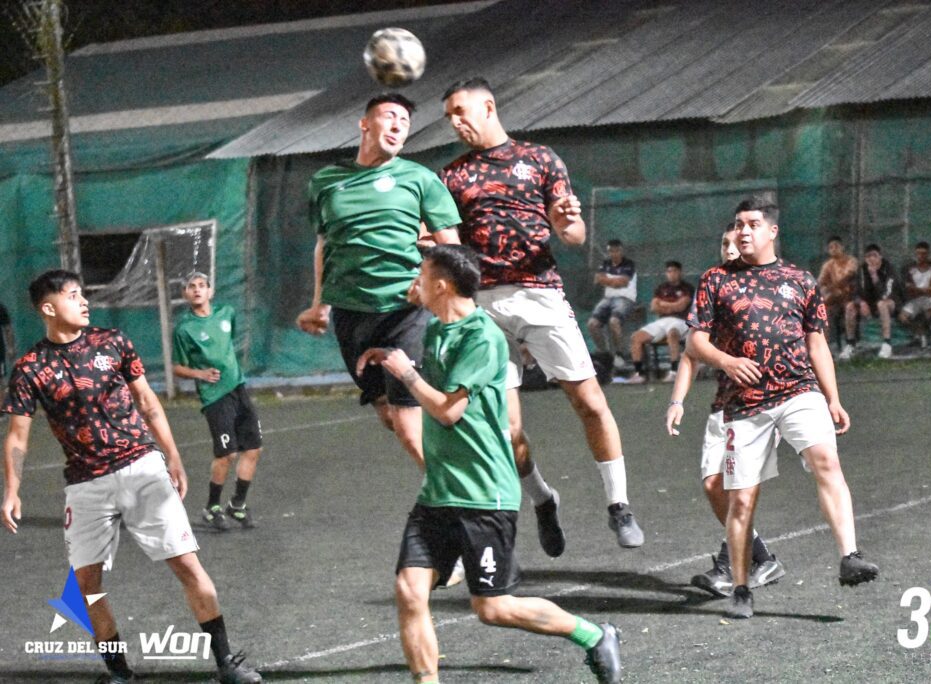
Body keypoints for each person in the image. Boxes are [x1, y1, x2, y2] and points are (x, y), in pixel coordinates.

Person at [357, 245, 623, 684]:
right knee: (409, 591)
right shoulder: (438, 330)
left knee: (493, 608)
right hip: (438, 494)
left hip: (484, 495)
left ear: (441, 284)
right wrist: (388, 357)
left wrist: (405, 375)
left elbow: (446, 411)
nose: (414, 283)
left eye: (420, 275)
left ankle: (594, 635)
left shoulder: (483, 337)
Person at [1, 270, 261, 684]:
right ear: (48, 308)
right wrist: (12, 489)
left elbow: (147, 401)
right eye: (73, 296)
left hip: (141, 467)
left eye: (83, 293)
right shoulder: (30, 368)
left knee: (187, 565)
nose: (84, 301)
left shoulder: (113, 341)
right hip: (86, 484)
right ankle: (120, 672)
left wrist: (172, 456)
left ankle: (226, 663)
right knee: (88, 583)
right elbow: (17, 436)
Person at [440, 77, 643, 551]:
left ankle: (619, 506)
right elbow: (449, 242)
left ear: (488, 107)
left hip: (540, 294)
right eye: (449, 115)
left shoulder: (541, 159)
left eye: (460, 110)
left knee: (590, 403)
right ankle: (543, 500)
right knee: (506, 431)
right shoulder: (451, 176)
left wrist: (566, 221)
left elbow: (572, 234)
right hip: (484, 306)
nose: (455, 121)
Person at [688, 195, 879, 620]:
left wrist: (833, 398)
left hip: (798, 391)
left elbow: (817, 343)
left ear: (772, 231)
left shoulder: (800, 279)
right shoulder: (716, 280)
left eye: (752, 224)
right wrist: (727, 361)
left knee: (827, 460)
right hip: (745, 405)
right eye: (738, 224)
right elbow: (696, 341)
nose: (743, 231)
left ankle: (850, 556)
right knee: (741, 500)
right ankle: (741, 588)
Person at [296, 93, 462, 470]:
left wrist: (435, 293)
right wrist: (319, 304)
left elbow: (452, 249)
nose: (398, 126)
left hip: (404, 312)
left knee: (407, 426)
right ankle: (453, 467)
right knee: (390, 416)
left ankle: (456, 503)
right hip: (351, 316)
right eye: (390, 116)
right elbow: (325, 245)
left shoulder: (419, 179)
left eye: (405, 122)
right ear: (364, 124)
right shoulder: (325, 182)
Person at [665, 230, 785, 597]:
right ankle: (761, 556)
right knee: (712, 485)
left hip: (760, 407)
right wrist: (676, 401)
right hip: (723, 406)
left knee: (737, 491)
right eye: (724, 244)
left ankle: (728, 566)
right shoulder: (712, 290)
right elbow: (691, 353)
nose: (730, 249)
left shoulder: (769, 288)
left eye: (737, 242)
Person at [172, 272, 261, 531]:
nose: (197, 290)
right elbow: (177, 367)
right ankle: (212, 508)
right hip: (214, 397)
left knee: (253, 449)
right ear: (185, 294)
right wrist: (200, 374)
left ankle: (237, 505)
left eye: (202, 285)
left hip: (238, 388)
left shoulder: (226, 313)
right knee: (227, 454)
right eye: (192, 286)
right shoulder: (184, 329)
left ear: (211, 291)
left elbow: (227, 342)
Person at [625, 260, 693, 384]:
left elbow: (681, 307)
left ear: (680, 272)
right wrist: (671, 305)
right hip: (661, 321)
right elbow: (653, 307)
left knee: (672, 333)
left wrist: (662, 303)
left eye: (674, 271)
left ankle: (673, 372)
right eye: (669, 271)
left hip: (681, 321)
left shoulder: (687, 287)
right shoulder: (661, 288)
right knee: (636, 337)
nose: (671, 274)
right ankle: (639, 374)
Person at [840, 244, 898, 360]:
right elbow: (855, 292)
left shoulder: (888, 269)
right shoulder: (862, 270)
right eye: (868, 256)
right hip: (869, 303)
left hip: (889, 303)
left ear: (880, 257)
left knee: (882, 304)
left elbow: (887, 294)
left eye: (874, 256)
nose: (871, 259)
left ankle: (887, 343)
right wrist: (860, 302)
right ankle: (850, 344)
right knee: (850, 307)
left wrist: (874, 276)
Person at [586, 239, 637, 368]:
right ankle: (605, 354)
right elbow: (597, 280)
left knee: (614, 322)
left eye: (617, 251)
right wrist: (613, 281)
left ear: (621, 251)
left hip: (625, 299)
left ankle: (619, 354)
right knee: (592, 325)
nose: (614, 254)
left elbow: (623, 283)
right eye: (611, 251)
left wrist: (606, 280)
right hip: (607, 299)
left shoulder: (629, 264)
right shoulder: (605, 263)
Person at [898, 241, 931, 348]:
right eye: (918, 253)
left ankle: (925, 336)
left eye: (924, 253)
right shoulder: (909, 268)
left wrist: (917, 289)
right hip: (915, 299)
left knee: (929, 315)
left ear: (928, 254)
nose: (921, 256)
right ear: (915, 254)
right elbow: (909, 290)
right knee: (902, 317)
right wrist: (926, 289)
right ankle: (919, 335)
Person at [816, 236, 857, 348]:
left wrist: (831, 288)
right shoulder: (828, 265)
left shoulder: (851, 261)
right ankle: (826, 345)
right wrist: (825, 290)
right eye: (831, 247)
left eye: (836, 246)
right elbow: (820, 282)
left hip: (850, 297)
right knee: (822, 309)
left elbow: (848, 277)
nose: (834, 249)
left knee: (849, 308)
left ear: (842, 247)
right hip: (835, 298)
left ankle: (850, 343)